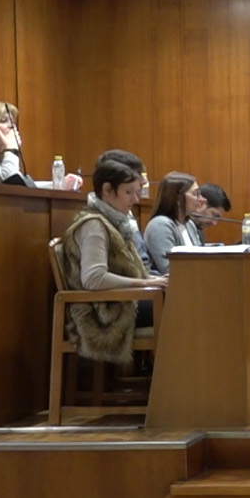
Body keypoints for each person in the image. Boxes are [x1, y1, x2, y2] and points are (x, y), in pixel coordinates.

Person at [59, 159, 167, 363]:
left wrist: (154, 280)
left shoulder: (113, 221)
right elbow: (93, 278)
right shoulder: (93, 225)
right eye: (128, 192)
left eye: (136, 192)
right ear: (107, 190)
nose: (135, 199)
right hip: (106, 315)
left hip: (122, 302)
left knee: (181, 296)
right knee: (180, 304)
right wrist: (144, 282)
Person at [95, 148, 155, 268]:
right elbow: (96, 276)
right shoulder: (95, 224)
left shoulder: (125, 214)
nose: (143, 181)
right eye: (128, 192)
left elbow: (144, 264)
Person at [143, 172, 205, 275]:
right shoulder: (160, 225)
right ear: (178, 199)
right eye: (195, 194)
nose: (201, 199)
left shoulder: (189, 225)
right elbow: (169, 269)